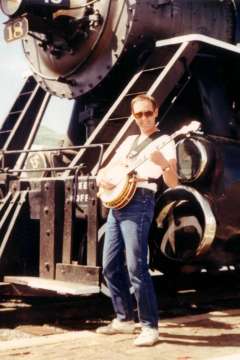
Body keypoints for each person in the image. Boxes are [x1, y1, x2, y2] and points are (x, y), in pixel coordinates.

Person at [96, 94, 178, 346]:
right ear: (133, 117)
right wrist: (103, 179)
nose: (144, 118)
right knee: (109, 264)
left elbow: (173, 182)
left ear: (156, 112)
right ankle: (123, 319)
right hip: (117, 202)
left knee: (136, 266)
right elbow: (106, 170)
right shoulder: (130, 141)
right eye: (139, 114)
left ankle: (150, 327)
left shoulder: (165, 141)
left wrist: (164, 164)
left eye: (148, 113)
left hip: (141, 200)